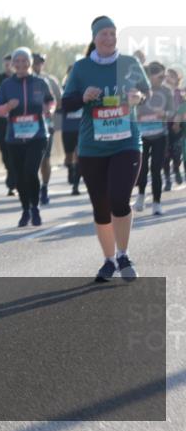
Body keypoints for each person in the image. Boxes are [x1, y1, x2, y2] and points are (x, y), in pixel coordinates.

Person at [61, 16, 150, 283]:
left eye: (112, 33)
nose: (109, 38)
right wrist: (82, 97)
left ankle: (123, 254)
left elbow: (146, 92)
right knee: (101, 207)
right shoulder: (81, 67)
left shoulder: (130, 64)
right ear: (95, 38)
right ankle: (108, 260)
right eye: (104, 34)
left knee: (119, 199)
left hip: (126, 142)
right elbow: (66, 104)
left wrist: (138, 97)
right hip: (92, 147)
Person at [0, 48, 55, 227]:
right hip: (14, 137)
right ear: (12, 64)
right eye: (17, 61)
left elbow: (50, 100)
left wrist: (49, 109)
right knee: (19, 175)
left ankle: (35, 207)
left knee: (30, 171)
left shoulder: (40, 82)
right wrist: (7, 107)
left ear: (29, 63)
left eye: (24, 61)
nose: (20, 64)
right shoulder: (6, 85)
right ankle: (25, 210)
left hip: (37, 135)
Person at [134, 61, 174, 216]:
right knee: (142, 169)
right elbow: (131, 110)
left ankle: (157, 203)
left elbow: (172, 112)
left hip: (160, 136)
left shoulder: (166, 92)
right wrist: (137, 114)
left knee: (156, 169)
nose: (163, 79)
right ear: (149, 76)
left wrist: (163, 114)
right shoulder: (139, 91)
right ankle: (141, 196)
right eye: (160, 76)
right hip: (141, 135)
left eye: (164, 76)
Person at [32, 52, 63, 205]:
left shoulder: (50, 80)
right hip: (27, 127)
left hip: (46, 125)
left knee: (45, 159)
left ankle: (44, 187)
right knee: (31, 161)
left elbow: (58, 100)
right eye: (35, 62)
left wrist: (50, 110)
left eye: (40, 62)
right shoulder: (23, 80)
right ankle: (33, 188)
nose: (37, 65)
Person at [0, 54, 17, 196]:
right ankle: (10, 172)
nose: (8, 65)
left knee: (14, 151)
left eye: (11, 63)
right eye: (6, 63)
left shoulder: (18, 79)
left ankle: (12, 182)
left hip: (16, 122)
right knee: (4, 151)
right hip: (2, 121)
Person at [60, 64, 83, 195]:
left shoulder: (84, 88)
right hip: (67, 128)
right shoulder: (64, 90)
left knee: (79, 155)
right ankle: (70, 169)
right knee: (69, 156)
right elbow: (58, 105)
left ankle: (76, 184)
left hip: (81, 127)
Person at [165, 68, 184, 189]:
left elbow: (183, 107)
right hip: (164, 124)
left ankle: (176, 169)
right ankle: (167, 179)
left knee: (177, 151)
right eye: (168, 76)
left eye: (172, 76)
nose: (169, 78)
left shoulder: (181, 92)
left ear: (177, 78)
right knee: (165, 153)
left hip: (178, 124)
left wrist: (177, 122)